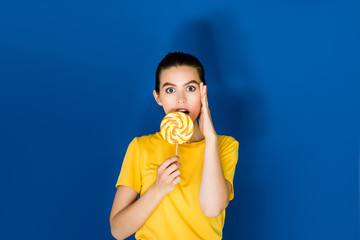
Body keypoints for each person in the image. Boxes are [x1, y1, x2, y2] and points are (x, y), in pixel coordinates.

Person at [110, 52, 239, 240]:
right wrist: (158, 189)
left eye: (190, 89)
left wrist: (210, 138)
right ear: (158, 97)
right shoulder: (141, 147)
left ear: (203, 93)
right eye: (170, 90)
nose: (181, 99)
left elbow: (212, 209)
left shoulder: (224, 145)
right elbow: (118, 230)